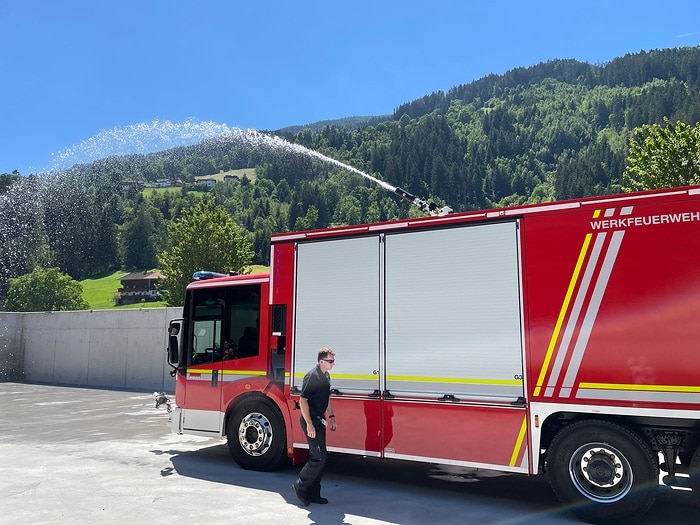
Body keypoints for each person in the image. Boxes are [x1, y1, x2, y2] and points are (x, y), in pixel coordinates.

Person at [292, 347, 337, 505]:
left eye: (333, 361)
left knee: (321, 457)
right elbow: (302, 400)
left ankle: (314, 493)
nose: (333, 364)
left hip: (320, 420)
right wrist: (310, 424)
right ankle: (300, 486)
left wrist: (331, 417)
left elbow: (327, 397)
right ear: (321, 361)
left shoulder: (326, 375)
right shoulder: (312, 376)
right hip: (310, 421)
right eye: (330, 361)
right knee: (318, 457)